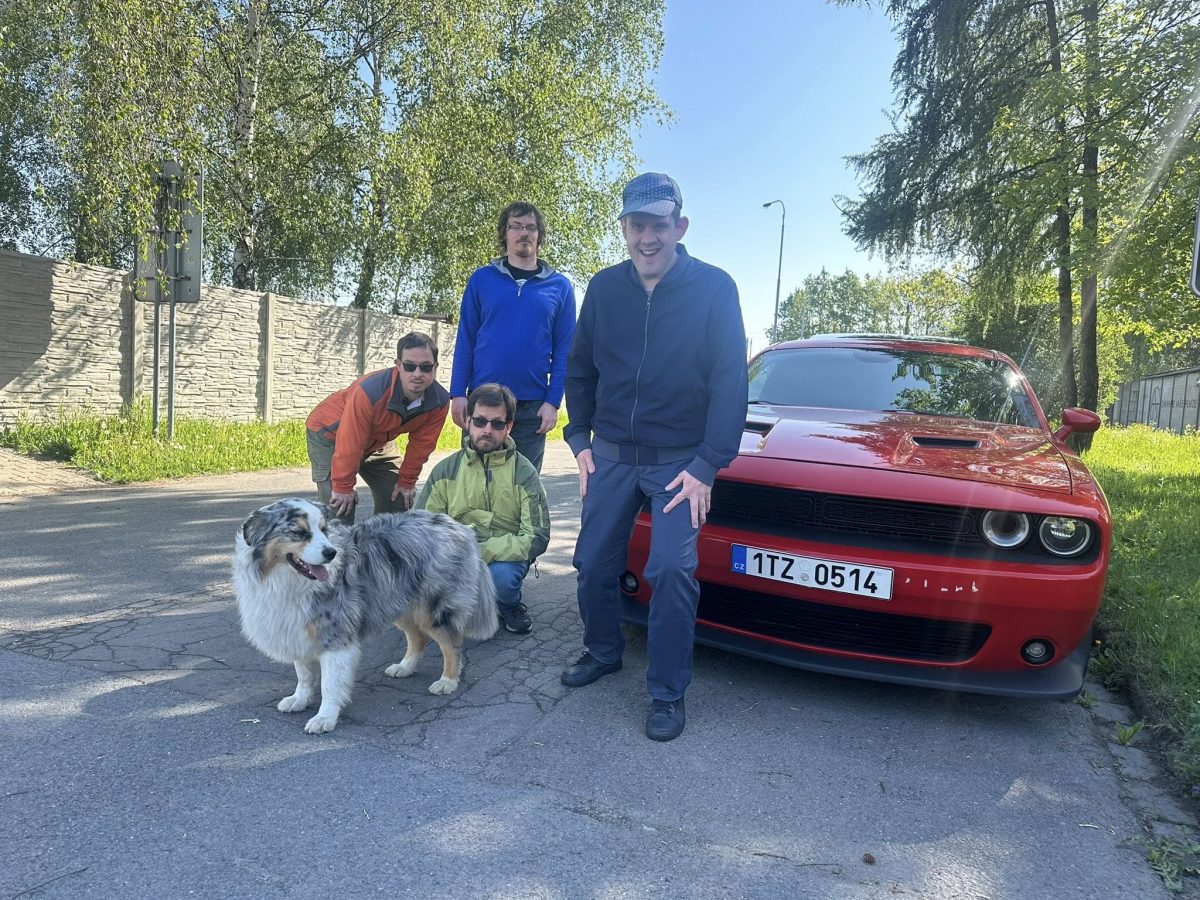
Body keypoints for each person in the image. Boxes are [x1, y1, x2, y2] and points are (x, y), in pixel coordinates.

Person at [560, 172, 748, 742]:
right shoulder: (603, 288)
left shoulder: (714, 289)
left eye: (659, 225)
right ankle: (603, 650)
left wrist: (708, 464)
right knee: (593, 563)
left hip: (680, 463)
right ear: (624, 228)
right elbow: (579, 368)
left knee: (670, 569)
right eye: (637, 225)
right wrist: (579, 439)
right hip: (612, 456)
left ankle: (667, 692)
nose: (648, 237)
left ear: (680, 226)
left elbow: (730, 381)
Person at [449, 201, 577, 473]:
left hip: (531, 410)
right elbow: (466, 339)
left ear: (539, 235)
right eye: (516, 226)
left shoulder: (560, 287)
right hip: (482, 404)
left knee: (523, 487)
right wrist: (458, 393)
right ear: (504, 233)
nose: (524, 233)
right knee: (474, 484)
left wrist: (553, 402)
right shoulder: (481, 280)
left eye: (531, 227)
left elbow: (565, 351)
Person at [416, 383, 550, 635]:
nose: (487, 430)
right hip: (455, 557)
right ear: (467, 421)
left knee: (501, 580)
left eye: (497, 424)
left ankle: (507, 604)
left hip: (503, 558)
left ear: (509, 426)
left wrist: (482, 550)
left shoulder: (525, 472)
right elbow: (422, 529)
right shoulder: (445, 470)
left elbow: (537, 537)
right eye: (480, 421)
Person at [306, 331, 450, 521]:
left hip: (378, 438)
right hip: (331, 434)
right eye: (409, 366)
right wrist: (343, 486)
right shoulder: (370, 392)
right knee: (339, 510)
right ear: (398, 365)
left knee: (398, 499)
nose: (417, 374)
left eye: (425, 367)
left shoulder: (439, 401)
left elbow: (422, 445)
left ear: (435, 367)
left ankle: (379, 540)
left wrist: (407, 481)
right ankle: (337, 539)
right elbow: (350, 441)